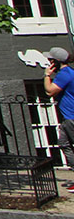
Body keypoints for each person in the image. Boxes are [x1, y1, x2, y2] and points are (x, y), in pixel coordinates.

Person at [43, 47, 74, 188]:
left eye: (50, 60)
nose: (48, 63)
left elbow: (50, 91)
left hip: (71, 117)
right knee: (63, 143)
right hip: (67, 117)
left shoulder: (65, 74)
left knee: (66, 144)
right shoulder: (68, 73)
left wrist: (47, 75)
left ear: (56, 62)